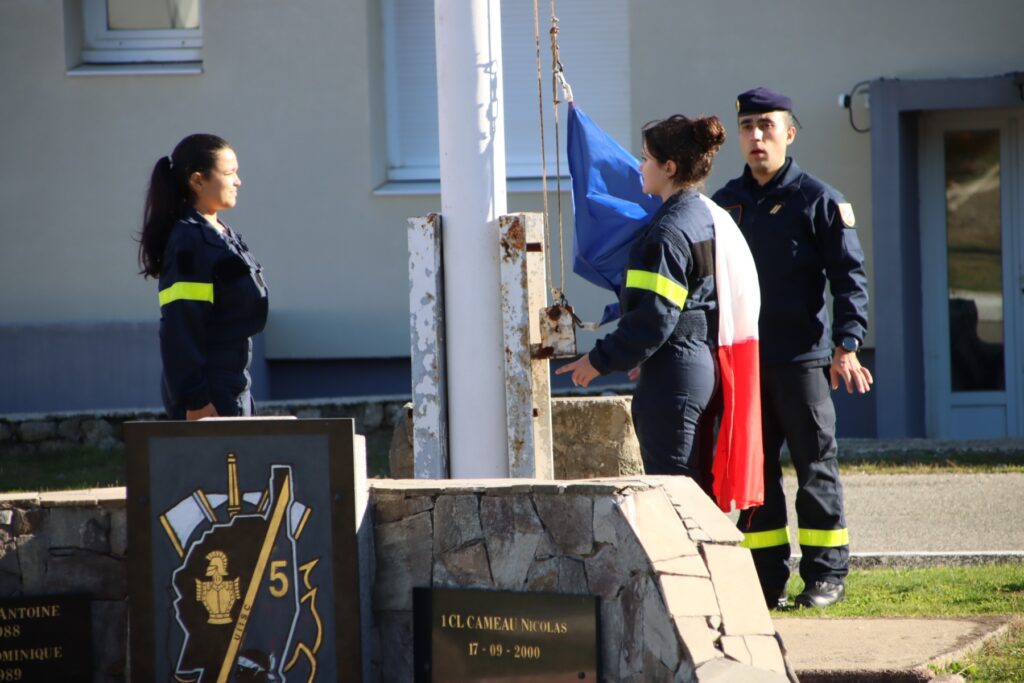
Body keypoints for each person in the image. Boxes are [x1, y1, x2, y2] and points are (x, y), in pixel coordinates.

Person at [712, 87, 872, 609]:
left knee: (814, 467)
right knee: (754, 475)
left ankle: (826, 576)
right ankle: (765, 580)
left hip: (803, 362)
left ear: (789, 133)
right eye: (748, 127)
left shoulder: (818, 200)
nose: (756, 136)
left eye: (767, 126)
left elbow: (849, 278)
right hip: (745, 365)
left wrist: (848, 344)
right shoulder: (724, 205)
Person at [557, 114, 727, 487]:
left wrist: (598, 360)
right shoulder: (701, 215)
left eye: (647, 158)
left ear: (669, 168)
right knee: (694, 486)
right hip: (694, 360)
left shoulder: (666, 232)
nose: (639, 167)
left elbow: (654, 317)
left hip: (674, 373)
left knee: (675, 490)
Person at [138, 133, 269, 420]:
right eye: (229, 173)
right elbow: (180, 324)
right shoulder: (189, 241)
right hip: (208, 391)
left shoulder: (219, 234)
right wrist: (195, 400)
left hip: (233, 382)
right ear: (198, 181)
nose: (238, 181)